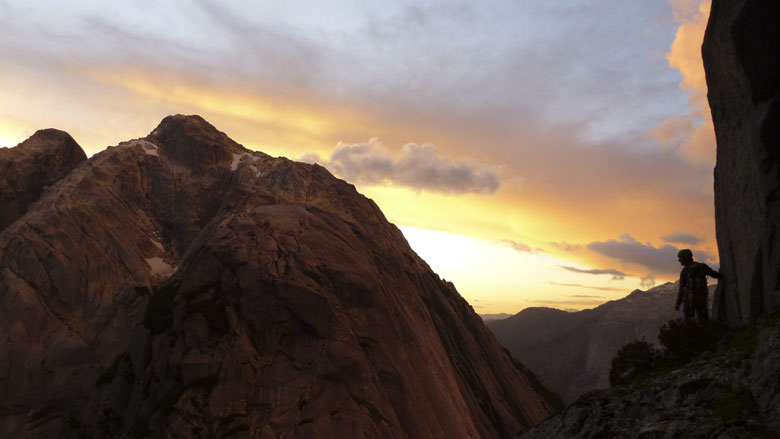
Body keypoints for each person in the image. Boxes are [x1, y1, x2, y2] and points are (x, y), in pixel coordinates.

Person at [675, 249, 720, 321]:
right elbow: (715, 274)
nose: (679, 260)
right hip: (701, 298)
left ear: (686, 258)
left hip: (689, 300)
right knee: (703, 319)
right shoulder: (702, 267)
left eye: (680, 258)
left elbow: (681, 289)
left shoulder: (684, 272)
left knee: (689, 321)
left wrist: (678, 303)